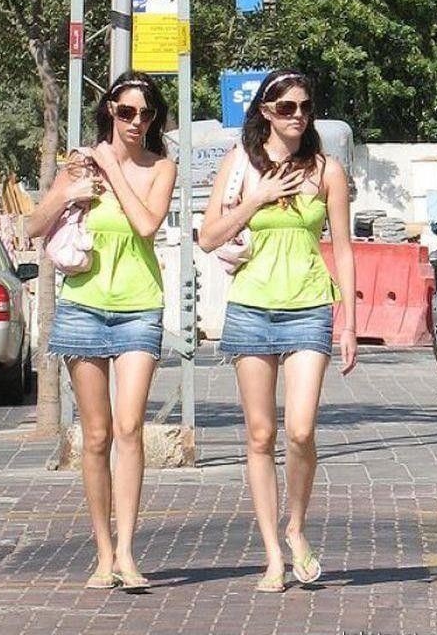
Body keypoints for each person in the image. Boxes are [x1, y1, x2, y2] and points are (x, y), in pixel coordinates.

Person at [199, 69, 356, 592]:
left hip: (310, 306)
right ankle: (272, 553)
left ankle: (296, 527)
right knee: (261, 435)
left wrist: (350, 322)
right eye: (287, 107)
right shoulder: (239, 163)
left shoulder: (327, 170)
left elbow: (343, 248)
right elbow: (207, 237)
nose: (298, 116)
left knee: (301, 430)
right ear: (265, 112)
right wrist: (257, 199)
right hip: (251, 308)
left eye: (305, 107)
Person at [27, 71, 176, 590]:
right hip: (83, 308)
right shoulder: (79, 164)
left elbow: (147, 225)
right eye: (127, 111)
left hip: (139, 307)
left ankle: (129, 552)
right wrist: (70, 190)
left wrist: (111, 166)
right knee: (96, 434)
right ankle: (103, 553)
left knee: (129, 426)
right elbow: (33, 226)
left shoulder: (161, 168)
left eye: (146, 114)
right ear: (110, 110)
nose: (137, 122)